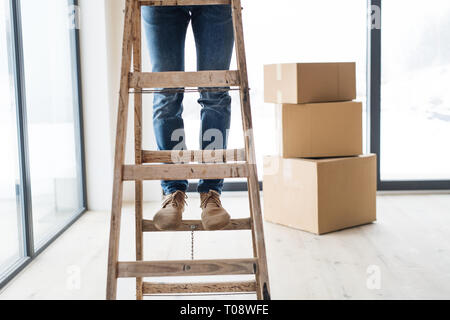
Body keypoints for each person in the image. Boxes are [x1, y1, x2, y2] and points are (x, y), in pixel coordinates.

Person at [141, 5, 234, 231]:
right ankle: (173, 191)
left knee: (215, 93)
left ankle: (210, 192)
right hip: (159, 3)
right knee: (166, 94)